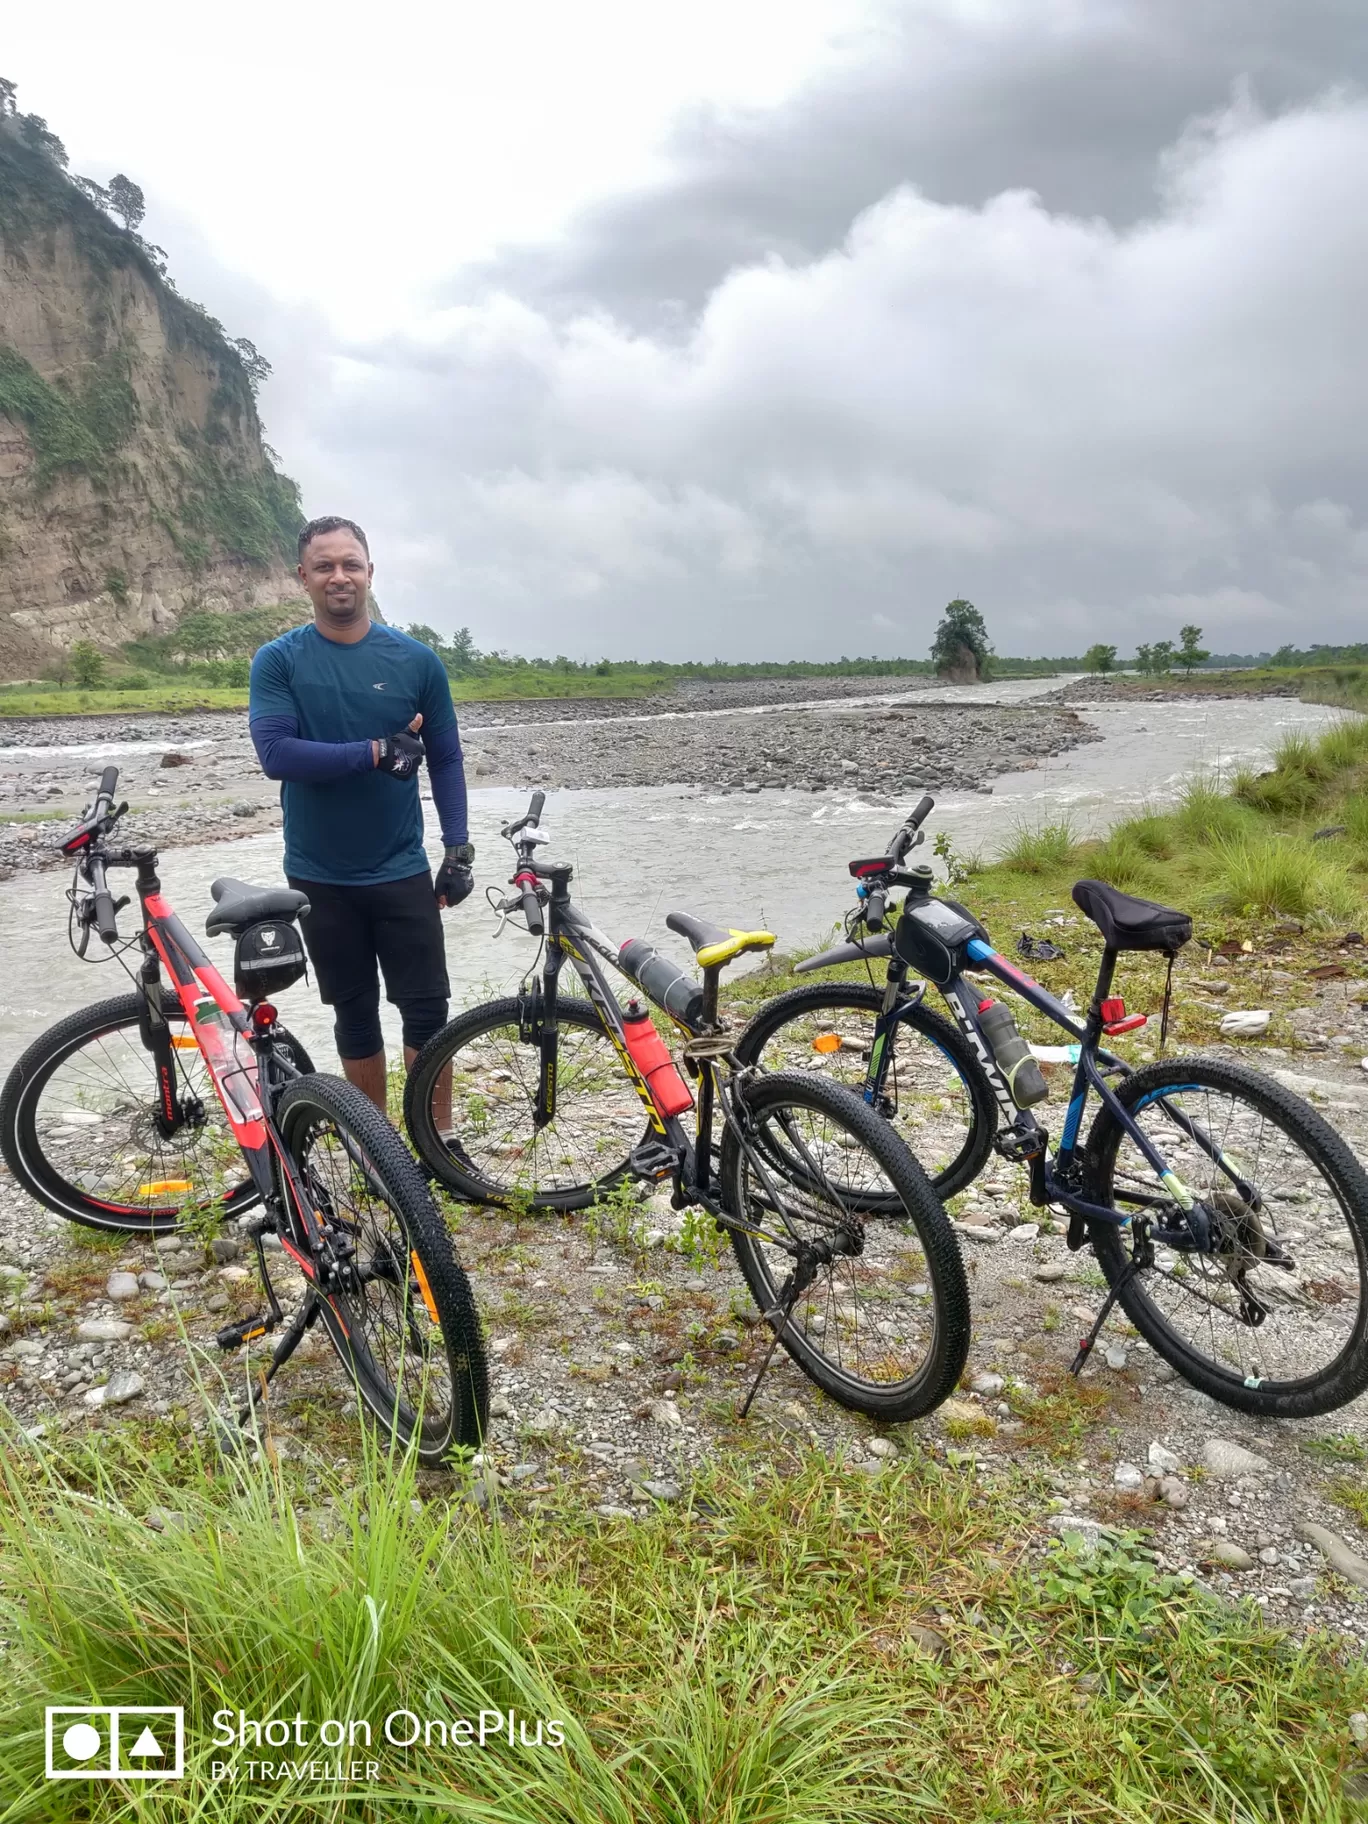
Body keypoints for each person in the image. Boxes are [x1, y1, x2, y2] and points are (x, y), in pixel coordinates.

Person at [248, 514, 473, 1111]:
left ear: (370, 573)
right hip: (320, 873)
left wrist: (458, 848)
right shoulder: (278, 661)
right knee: (354, 1009)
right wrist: (375, 752)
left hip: (401, 867)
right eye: (324, 566)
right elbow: (276, 754)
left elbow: (446, 759)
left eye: (351, 564)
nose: (338, 576)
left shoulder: (417, 662)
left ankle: (439, 1142)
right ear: (303, 577)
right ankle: (376, 1148)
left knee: (426, 1007)